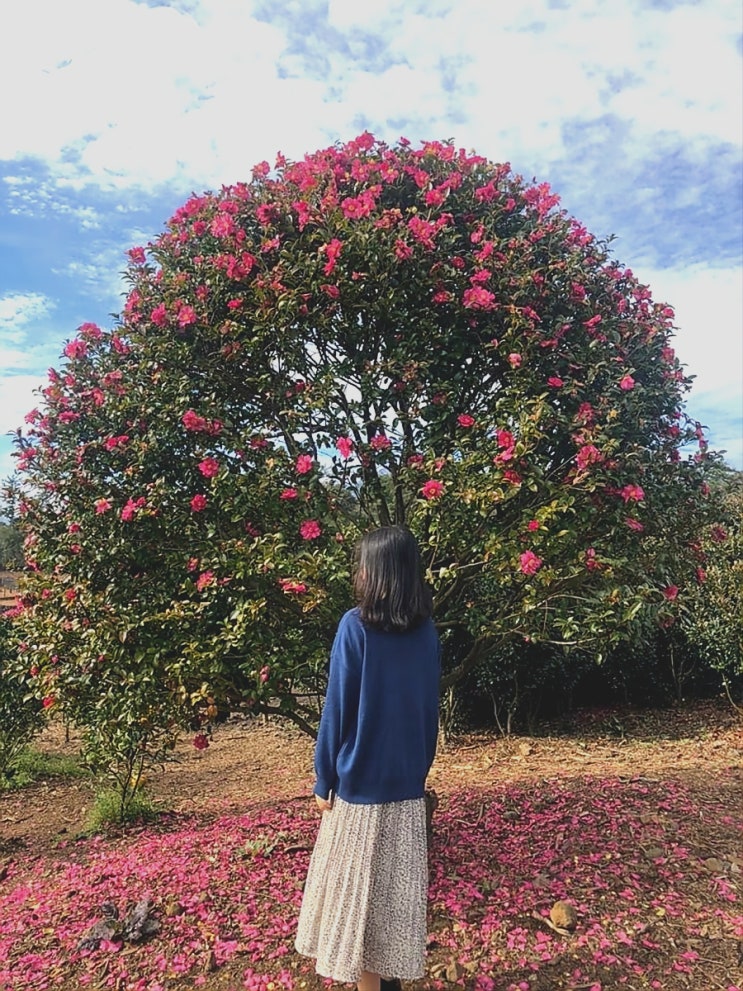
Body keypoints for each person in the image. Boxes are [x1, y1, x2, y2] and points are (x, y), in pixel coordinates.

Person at [295, 525, 441, 991]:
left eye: (362, 563)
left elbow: (336, 709)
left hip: (358, 789)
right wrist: (419, 770)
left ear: (376, 573)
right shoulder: (426, 633)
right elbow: (429, 710)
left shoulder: (354, 626)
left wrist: (324, 779)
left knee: (354, 905)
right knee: (392, 904)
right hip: (405, 786)